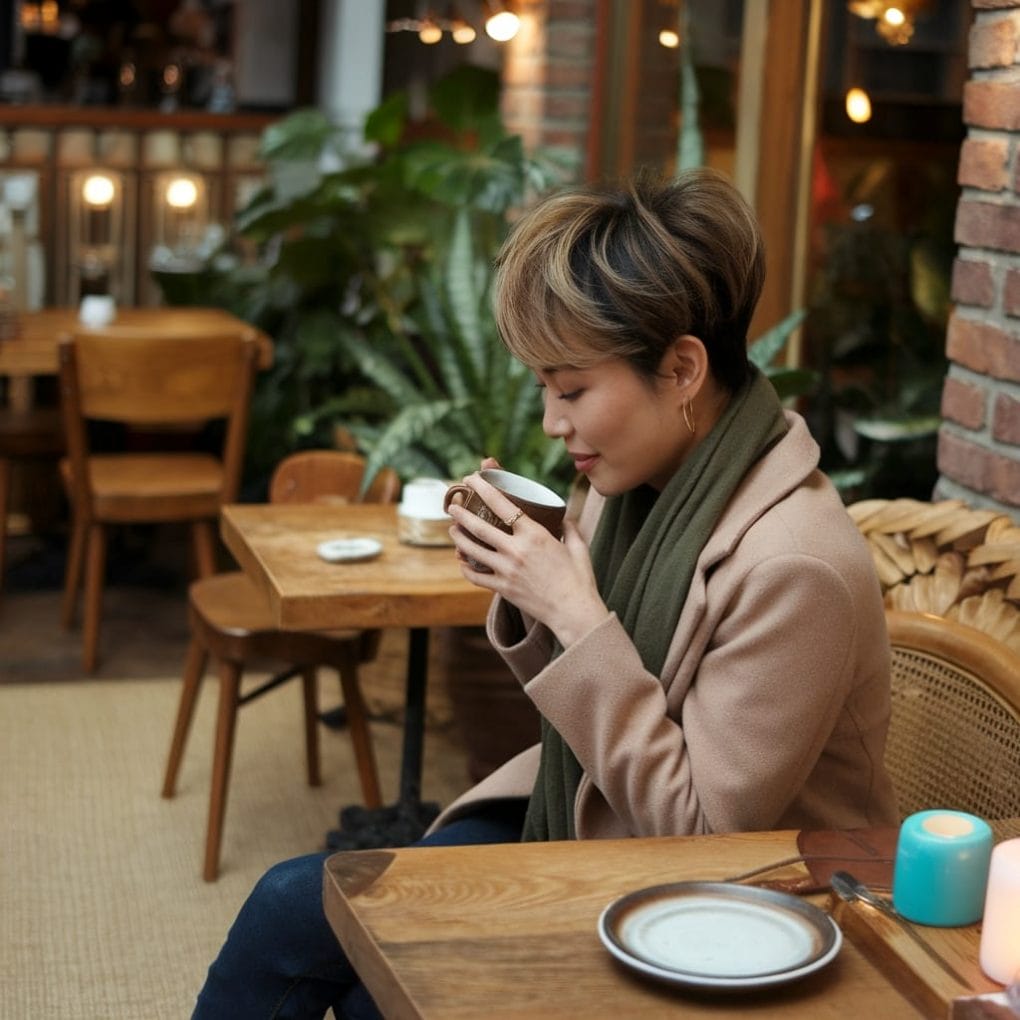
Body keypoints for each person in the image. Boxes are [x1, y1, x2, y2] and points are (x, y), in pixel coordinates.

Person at [192, 167, 898, 1018]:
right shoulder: (645, 477)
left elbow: (708, 834)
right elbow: (593, 682)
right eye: (542, 388)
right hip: (588, 809)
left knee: (314, 932)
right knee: (322, 930)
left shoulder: (798, 565)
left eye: (570, 390)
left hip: (732, 900)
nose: (551, 424)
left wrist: (572, 606)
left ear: (680, 369)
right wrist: (526, 582)